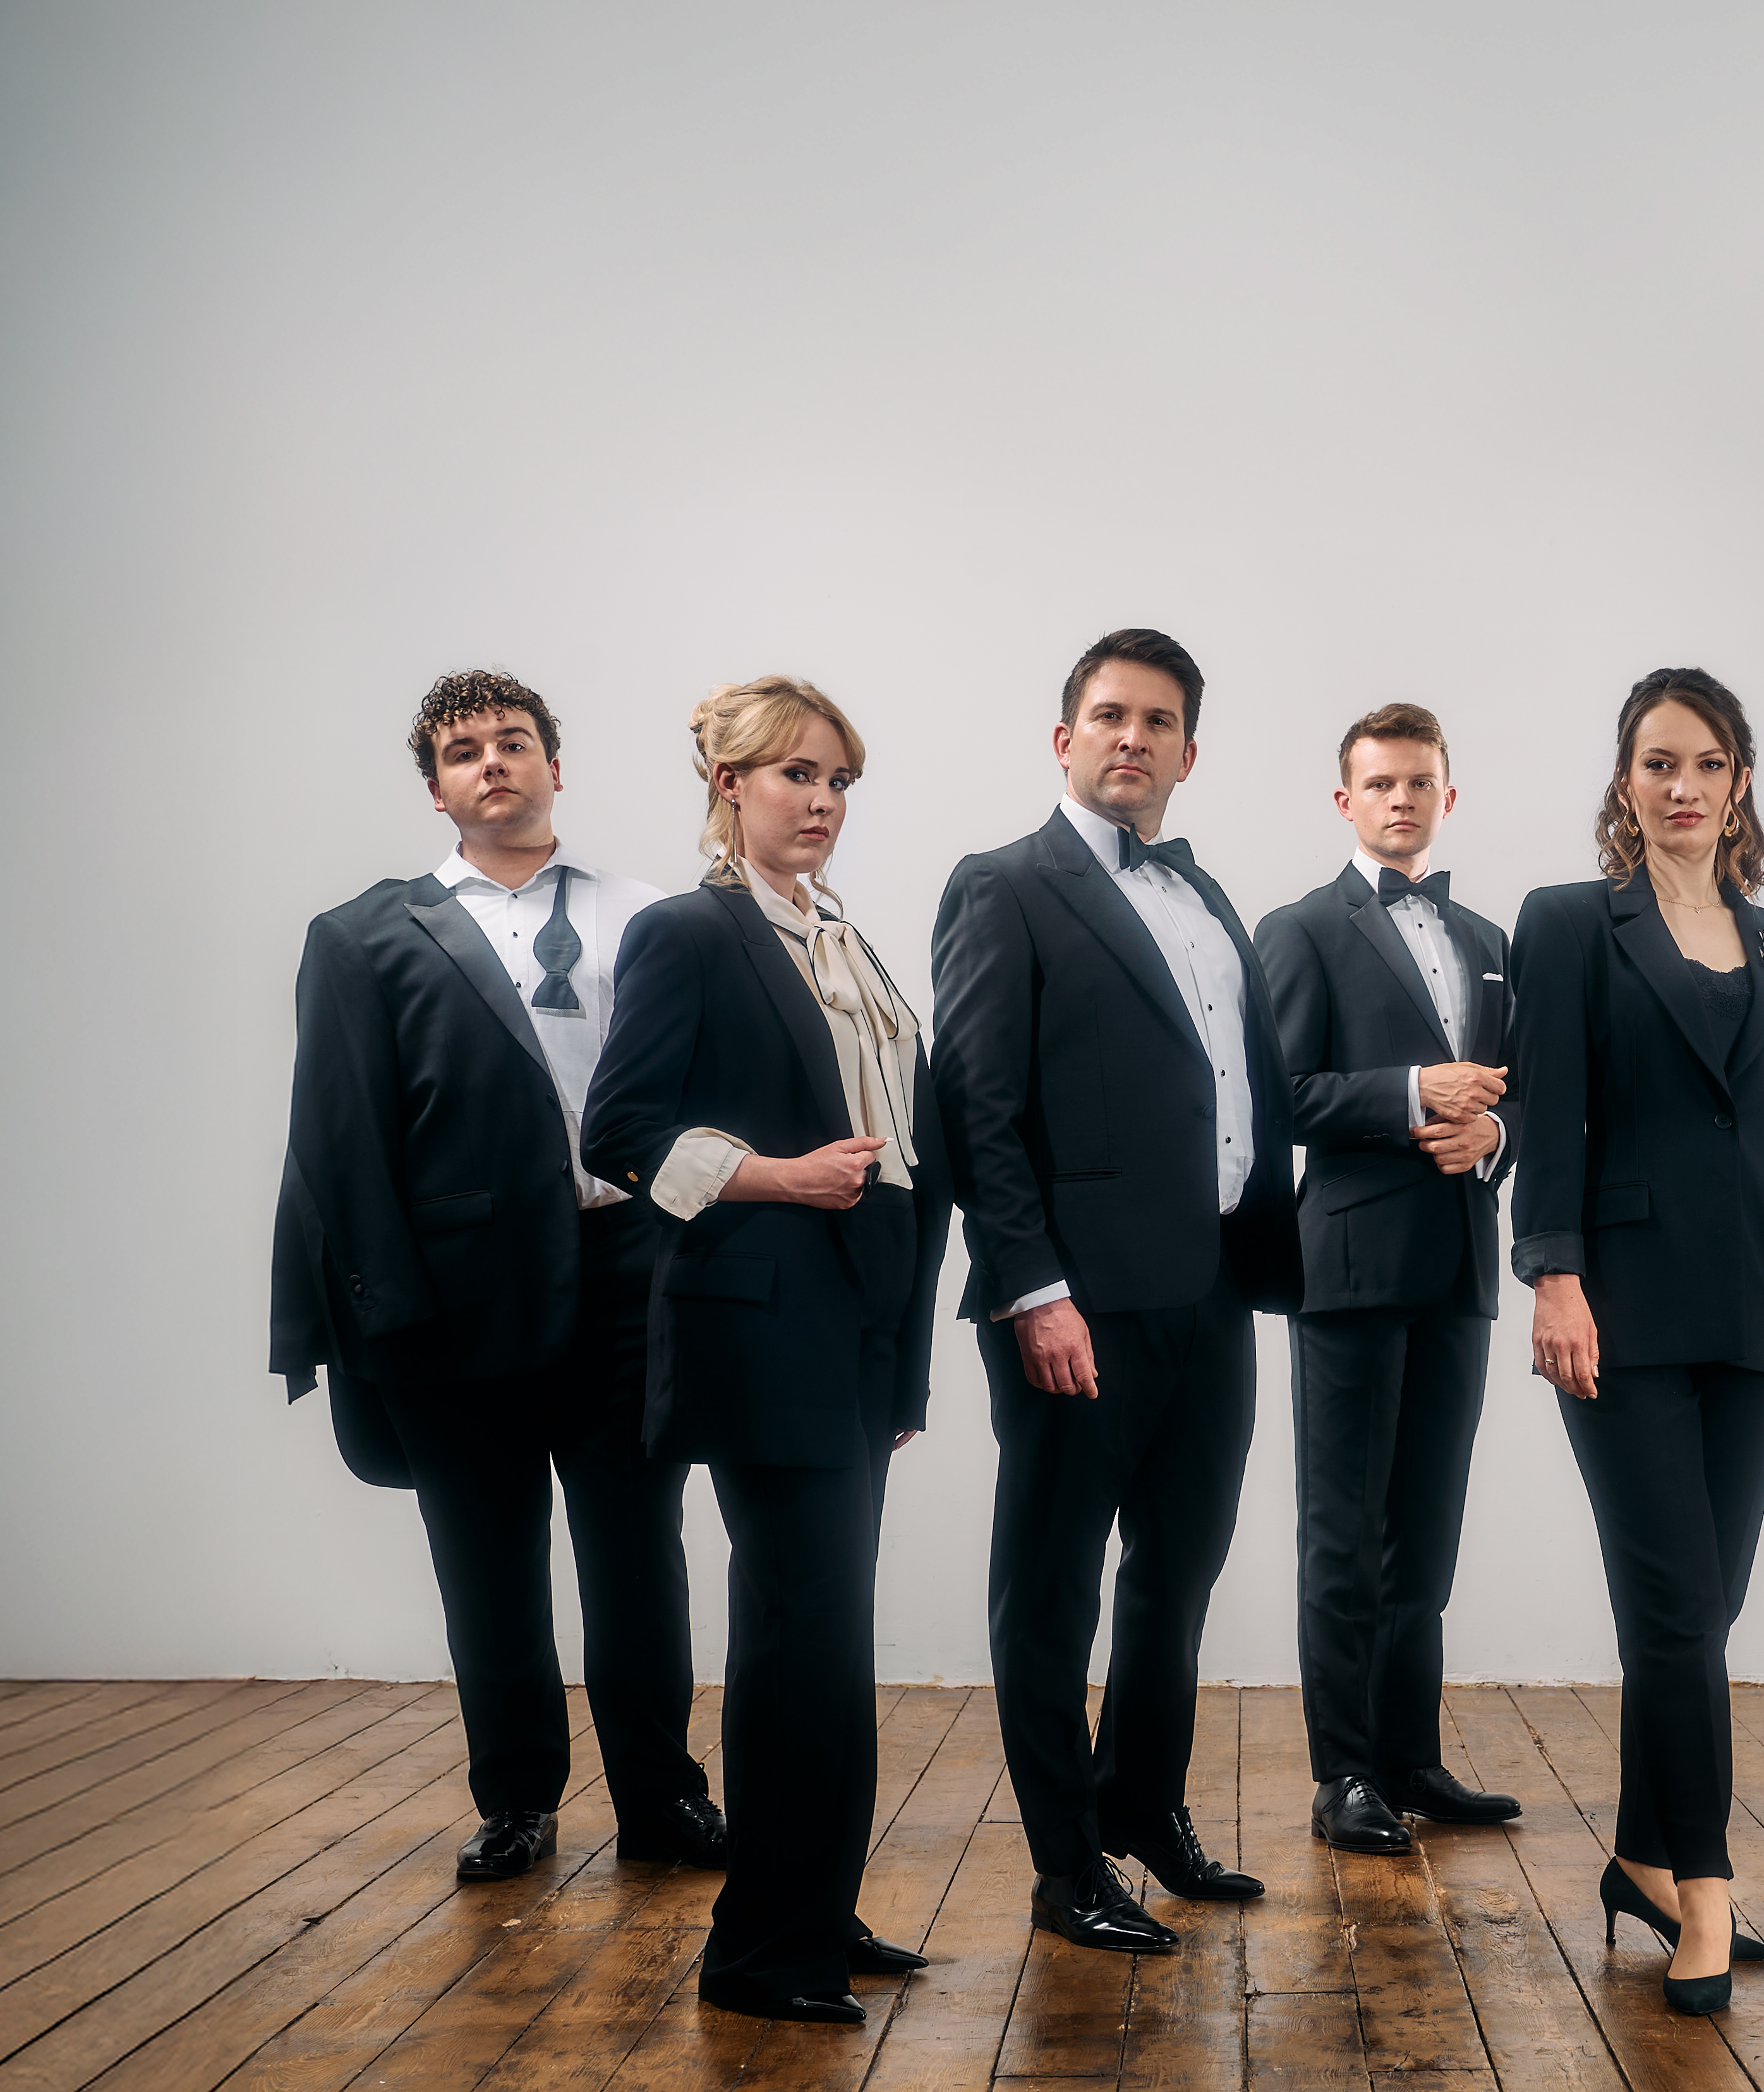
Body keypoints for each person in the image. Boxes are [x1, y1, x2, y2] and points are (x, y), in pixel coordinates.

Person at [270, 669, 718, 1887]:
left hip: (629, 1273)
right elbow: (341, 1141)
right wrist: (380, 1316)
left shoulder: (655, 915)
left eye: (515, 743)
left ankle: (665, 1797)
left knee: (638, 1554)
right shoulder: (367, 935)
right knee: (486, 1564)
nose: (493, 764)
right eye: (464, 751)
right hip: (458, 1302)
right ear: (437, 789)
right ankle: (516, 1799)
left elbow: (697, 1095)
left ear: (555, 767)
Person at [581, 676, 953, 2025]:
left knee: (830, 1644)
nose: (822, 801)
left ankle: (814, 1910)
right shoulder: (693, 933)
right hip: (760, 1334)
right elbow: (616, 1134)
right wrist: (778, 1179)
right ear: (728, 785)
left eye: (840, 780)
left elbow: (907, 1151)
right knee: (796, 1643)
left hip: (853, 1336)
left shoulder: (846, 940)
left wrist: (901, 1360)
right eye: (797, 774)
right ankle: (756, 1959)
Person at [929, 628, 1302, 1956]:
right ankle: (1064, 1864)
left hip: (1212, 1290)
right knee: (1053, 1588)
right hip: (1075, 1300)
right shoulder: (1003, 887)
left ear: (1189, 753)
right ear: (1063, 739)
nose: (1131, 738)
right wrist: (1032, 1288)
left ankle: (1142, 1806)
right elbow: (976, 1103)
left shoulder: (1208, 900)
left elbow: (1241, 1085)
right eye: (1107, 715)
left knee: (1179, 1574)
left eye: (1157, 721)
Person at [1510, 667, 1764, 2017]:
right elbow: (1550, 1114)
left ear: (1740, 780)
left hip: (1758, 1304)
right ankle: (1706, 1892)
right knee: (1672, 1613)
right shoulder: (1567, 925)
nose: (1682, 786)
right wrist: (1554, 1276)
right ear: (1625, 780)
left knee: (1703, 1610)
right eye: (1657, 763)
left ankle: (1644, 1856)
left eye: (1706, 763)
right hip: (1624, 1307)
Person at [1254, 704, 1524, 1857]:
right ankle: (1344, 1775)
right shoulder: (1301, 927)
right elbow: (1284, 1097)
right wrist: (1416, 1091)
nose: (1402, 800)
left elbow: (1517, 1096)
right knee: (1343, 1532)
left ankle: (1410, 1758)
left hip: (1459, 1266)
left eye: (1421, 783)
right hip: (1352, 1266)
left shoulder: (1487, 936)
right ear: (1346, 800)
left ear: (1447, 798)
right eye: (1381, 784)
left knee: (1429, 1530)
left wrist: (1493, 1140)